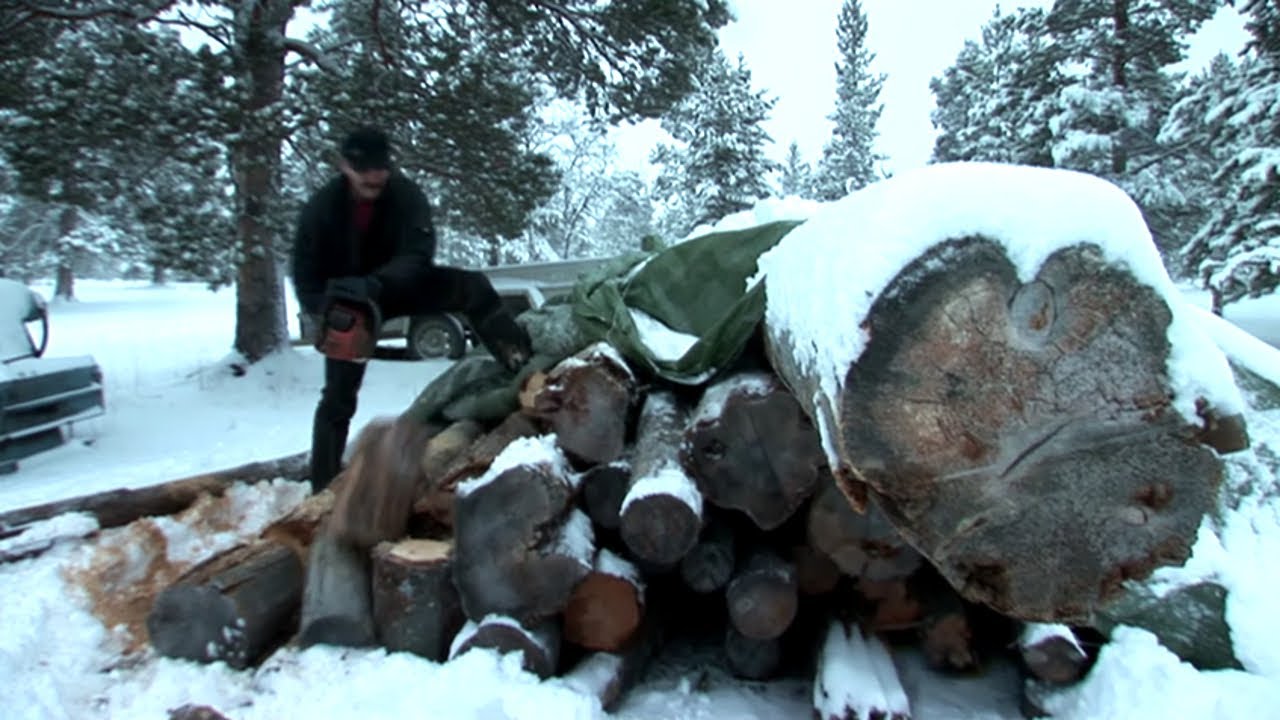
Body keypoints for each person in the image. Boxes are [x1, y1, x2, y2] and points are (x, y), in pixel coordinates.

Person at [291, 126, 532, 492]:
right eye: (364, 174)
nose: (374, 179)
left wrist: (378, 282)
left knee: (474, 289)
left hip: (397, 285)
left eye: (380, 171)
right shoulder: (320, 210)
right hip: (349, 307)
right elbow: (305, 278)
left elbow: (418, 255)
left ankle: (524, 370)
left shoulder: (406, 195)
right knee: (337, 398)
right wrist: (327, 312)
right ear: (345, 167)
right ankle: (321, 485)